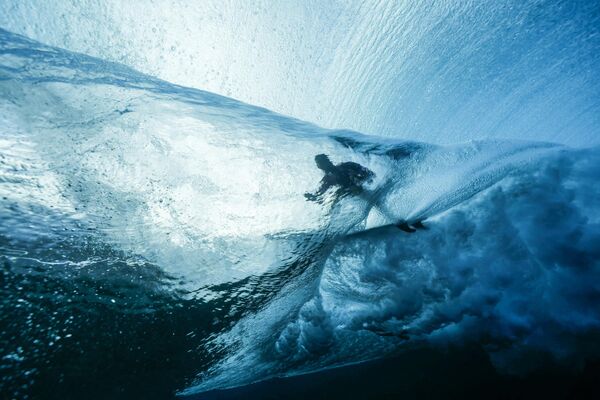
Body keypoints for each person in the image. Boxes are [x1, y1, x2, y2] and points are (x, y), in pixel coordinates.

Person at [304, 154, 374, 204]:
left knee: (341, 191)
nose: (318, 167)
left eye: (319, 164)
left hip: (358, 187)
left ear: (327, 162)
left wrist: (363, 180)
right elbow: (320, 193)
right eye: (319, 164)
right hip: (351, 193)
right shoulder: (327, 179)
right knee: (336, 195)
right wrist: (312, 196)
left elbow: (369, 173)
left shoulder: (346, 166)